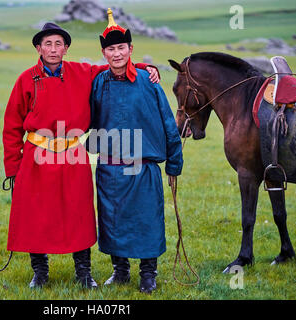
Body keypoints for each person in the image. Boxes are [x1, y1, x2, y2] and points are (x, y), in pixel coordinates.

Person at [2, 22, 160, 289]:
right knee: (35, 215)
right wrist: (13, 168)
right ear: (39, 48)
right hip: (36, 157)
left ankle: (84, 273)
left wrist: (145, 67)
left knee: (79, 212)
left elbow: (111, 67)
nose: (53, 49)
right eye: (47, 44)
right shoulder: (26, 79)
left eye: (58, 44)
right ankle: (40, 272)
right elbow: (12, 125)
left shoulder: (81, 72)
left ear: (66, 48)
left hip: (72, 155)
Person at [88, 9, 183, 293]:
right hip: (110, 167)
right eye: (110, 49)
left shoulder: (149, 82)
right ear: (104, 53)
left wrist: (174, 164)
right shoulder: (98, 83)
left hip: (143, 167)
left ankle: (148, 274)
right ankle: (120, 271)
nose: (116, 54)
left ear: (130, 48)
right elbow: (87, 117)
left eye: (121, 48)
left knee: (146, 220)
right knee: (112, 219)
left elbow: (168, 123)